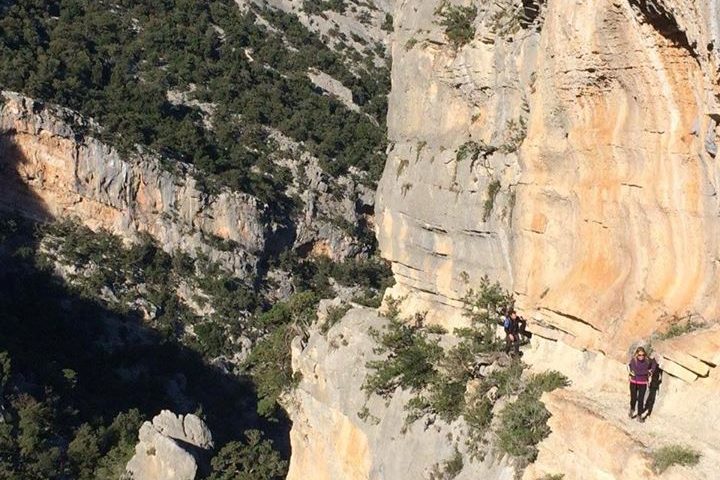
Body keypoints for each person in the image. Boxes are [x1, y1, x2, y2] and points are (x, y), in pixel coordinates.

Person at [628, 346, 654, 422]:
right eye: (639, 355)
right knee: (633, 398)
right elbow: (635, 371)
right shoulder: (633, 361)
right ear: (636, 354)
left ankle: (639, 415)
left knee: (641, 400)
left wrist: (651, 371)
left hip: (643, 383)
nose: (641, 356)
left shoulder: (647, 361)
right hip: (634, 382)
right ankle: (632, 409)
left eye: (643, 355)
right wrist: (646, 372)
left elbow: (654, 362)